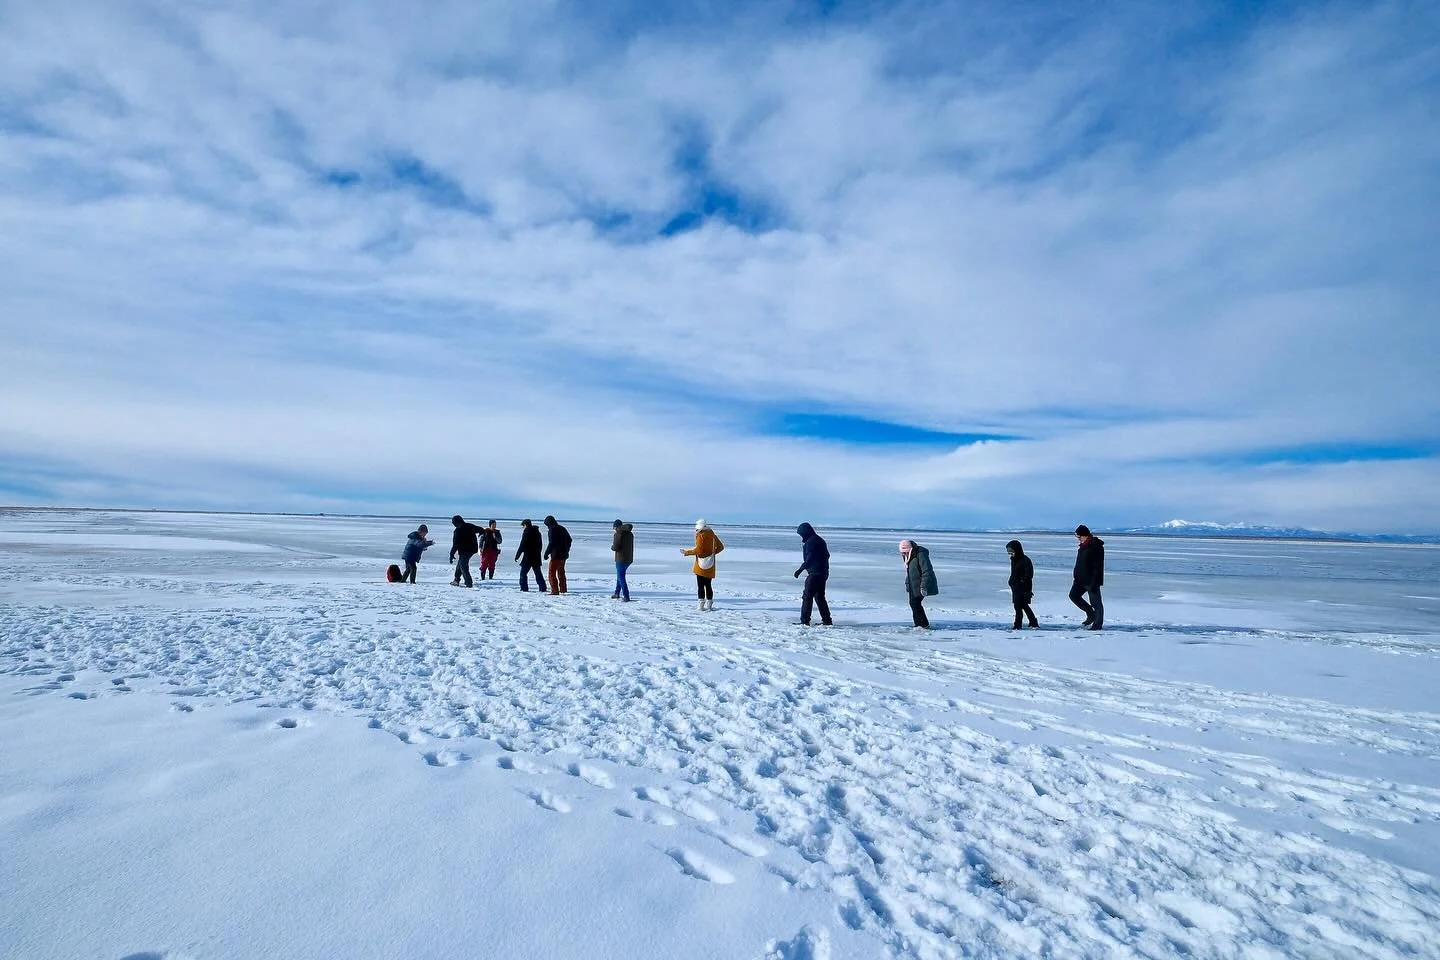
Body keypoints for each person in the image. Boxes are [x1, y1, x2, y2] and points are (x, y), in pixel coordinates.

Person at [793, 522, 833, 626]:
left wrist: (800, 570)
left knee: (807, 596)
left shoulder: (812, 542)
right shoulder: (818, 540)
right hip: (822, 573)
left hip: (815, 574)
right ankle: (827, 620)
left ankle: (804, 621)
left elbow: (810, 558)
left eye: (801, 534)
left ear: (806, 532)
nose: (801, 536)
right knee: (819, 597)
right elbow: (827, 555)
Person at [681, 519, 724, 610]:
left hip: (700, 564)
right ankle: (709, 605)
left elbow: (699, 550)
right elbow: (721, 547)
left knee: (700, 585)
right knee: (708, 585)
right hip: (711, 564)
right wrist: (712, 553)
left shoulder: (701, 536)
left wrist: (687, 552)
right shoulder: (713, 535)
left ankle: (700, 606)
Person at [1070, 525, 1105, 630]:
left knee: (1096, 603)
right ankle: (1091, 614)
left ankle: (1097, 625)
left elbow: (1098, 567)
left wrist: (1095, 582)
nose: (1078, 539)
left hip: (1091, 580)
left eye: (1079, 537)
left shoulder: (1096, 546)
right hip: (1080, 580)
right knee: (1073, 596)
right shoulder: (1083, 546)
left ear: (1085, 535)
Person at [900, 539, 938, 628]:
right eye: (902, 552)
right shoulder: (909, 556)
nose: (903, 554)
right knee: (913, 603)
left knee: (915, 603)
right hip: (913, 585)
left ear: (910, 549)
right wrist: (907, 583)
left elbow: (927, 571)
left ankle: (922, 625)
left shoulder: (920, 554)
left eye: (905, 552)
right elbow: (910, 571)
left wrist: (924, 586)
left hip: (921, 584)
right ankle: (919, 625)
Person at [1006, 539, 1039, 630]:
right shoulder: (1014, 560)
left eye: (1012, 552)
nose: (1010, 554)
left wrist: (1021, 582)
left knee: (1019, 606)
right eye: (1009, 552)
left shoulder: (1025, 560)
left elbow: (1029, 574)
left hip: (1024, 588)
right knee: (1022, 605)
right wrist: (1011, 581)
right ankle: (1033, 622)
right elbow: (1014, 573)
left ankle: (1018, 624)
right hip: (1016, 587)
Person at [448, 515, 483, 588]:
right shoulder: (470, 526)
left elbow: (455, 545)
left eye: (453, 522)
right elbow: (481, 529)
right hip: (472, 550)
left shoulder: (457, 531)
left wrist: (451, 554)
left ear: (457, 522)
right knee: (460, 564)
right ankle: (456, 580)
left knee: (463, 566)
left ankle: (468, 583)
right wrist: (481, 533)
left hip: (465, 551)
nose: (453, 524)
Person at [542, 515, 572, 595]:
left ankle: (554, 590)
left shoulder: (552, 530)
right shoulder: (562, 528)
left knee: (551, 573)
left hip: (556, 555)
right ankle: (563, 589)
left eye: (547, 525)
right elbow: (569, 540)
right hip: (564, 555)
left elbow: (552, 542)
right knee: (561, 572)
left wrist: (546, 553)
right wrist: (566, 550)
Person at [515, 519, 546, 592]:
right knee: (538, 573)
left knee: (523, 573)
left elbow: (522, 544)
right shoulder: (537, 532)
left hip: (528, 557)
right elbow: (540, 545)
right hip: (536, 556)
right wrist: (538, 553)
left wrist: (517, 555)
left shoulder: (527, 532)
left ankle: (524, 588)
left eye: (523, 526)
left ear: (525, 525)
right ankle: (542, 588)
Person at [611, 519, 634, 601]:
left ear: (616, 527)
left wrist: (612, 547)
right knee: (619, 576)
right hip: (629, 559)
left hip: (621, 558)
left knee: (621, 577)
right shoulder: (630, 534)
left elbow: (616, 547)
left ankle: (626, 596)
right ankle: (617, 593)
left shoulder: (618, 534)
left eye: (614, 528)